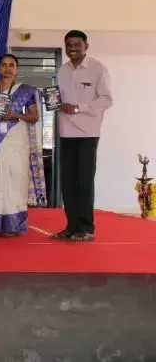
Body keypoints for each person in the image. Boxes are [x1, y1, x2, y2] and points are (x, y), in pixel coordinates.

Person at [54, 30, 113, 242]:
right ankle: (71, 226)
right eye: (68, 45)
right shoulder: (62, 70)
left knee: (84, 182)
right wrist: (52, 102)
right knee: (68, 183)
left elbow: (107, 99)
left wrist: (79, 108)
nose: (72, 49)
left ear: (86, 46)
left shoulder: (97, 68)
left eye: (77, 45)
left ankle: (86, 228)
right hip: (65, 133)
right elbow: (58, 98)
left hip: (88, 134)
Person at [0, 54, 47, 236]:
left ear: (17, 69)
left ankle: (13, 224)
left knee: (16, 177)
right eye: (4, 65)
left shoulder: (26, 91)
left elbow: (34, 116)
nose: (7, 68)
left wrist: (15, 115)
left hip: (16, 136)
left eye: (11, 65)